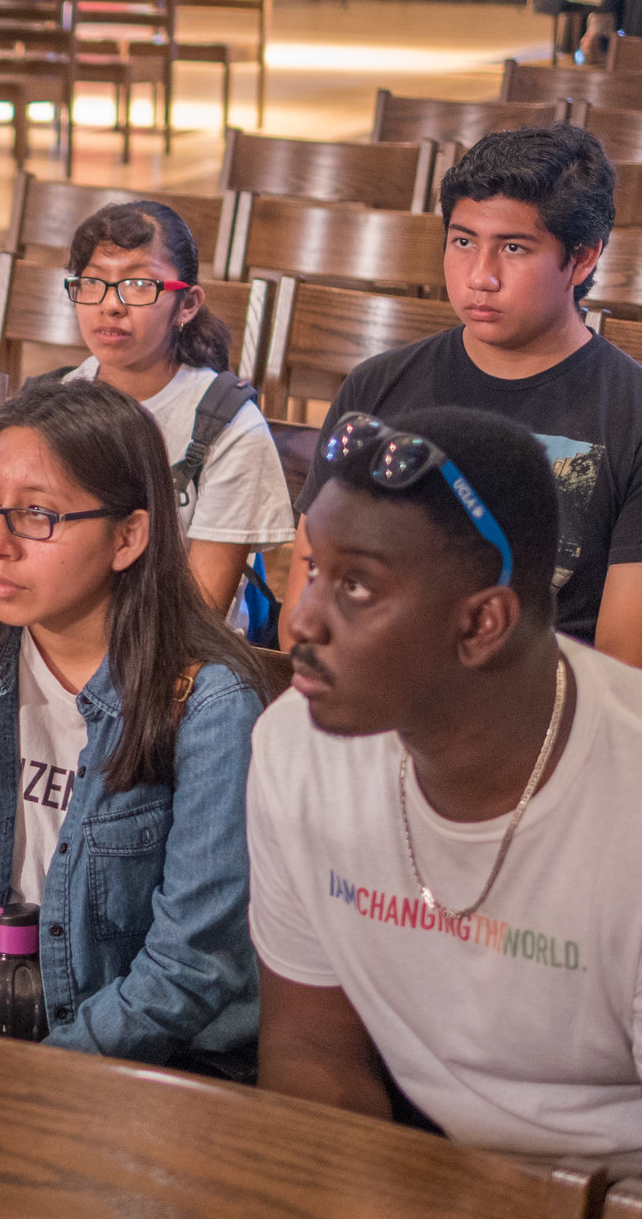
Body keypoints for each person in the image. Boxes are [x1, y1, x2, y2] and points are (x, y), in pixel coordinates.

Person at [251, 406, 642, 1165]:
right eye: (310, 569)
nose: (300, 620)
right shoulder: (293, 746)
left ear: (480, 624)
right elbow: (311, 1049)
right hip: (418, 1168)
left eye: (355, 586)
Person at [0, 380, 272, 1069]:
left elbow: (189, 961)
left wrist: (34, 1080)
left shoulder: (207, 702)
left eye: (36, 515)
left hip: (146, 1057)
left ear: (127, 536)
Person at [280, 125, 642, 666]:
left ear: (583, 259)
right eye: (463, 241)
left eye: (514, 248)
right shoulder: (377, 387)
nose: (480, 276)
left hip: (543, 722)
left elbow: (622, 664)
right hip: (377, 700)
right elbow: (306, 612)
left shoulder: (630, 413)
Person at [58, 200, 294, 612]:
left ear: (187, 304)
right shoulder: (59, 401)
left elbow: (201, 609)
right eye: (93, 282)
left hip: (176, 652)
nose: (111, 304)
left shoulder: (228, 425)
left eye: (139, 285)